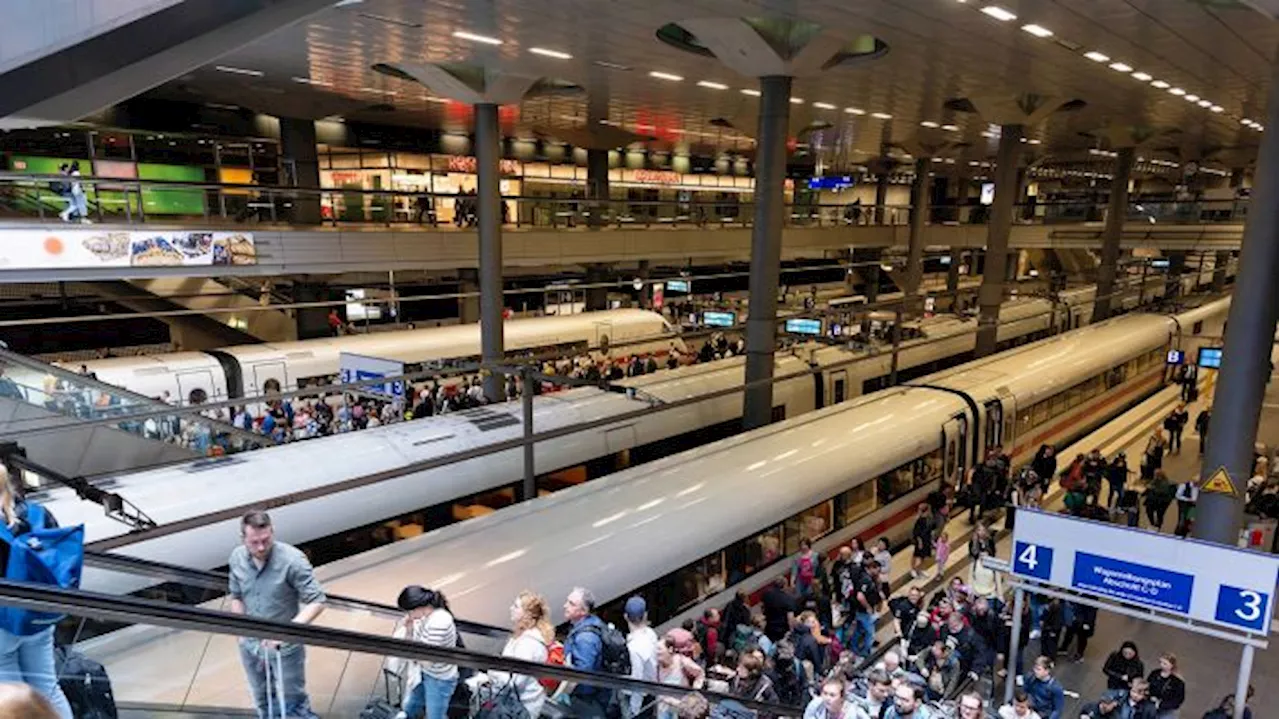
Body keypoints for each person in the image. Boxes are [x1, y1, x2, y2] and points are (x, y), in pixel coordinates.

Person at [229, 511, 326, 719]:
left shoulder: (292, 560)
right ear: (243, 538)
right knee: (262, 699)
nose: (261, 547)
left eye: (266, 540)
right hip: (251, 645)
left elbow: (317, 601)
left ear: (273, 531)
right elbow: (236, 596)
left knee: (294, 703)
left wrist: (285, 633)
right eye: (254, 542)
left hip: (286, 648)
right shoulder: (237, 558)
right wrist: (241, 635)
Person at [0, 468, 74, 719]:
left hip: (2, 627)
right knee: (48, 691)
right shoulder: (37, 513)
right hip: (39, 616)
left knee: (11, 701)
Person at [474, 591, 553, 719]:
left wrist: (492, 670)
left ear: (527, 615)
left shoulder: (529, 644)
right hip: (514, 702)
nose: (511, 608)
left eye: (516, 606)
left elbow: (514, 682)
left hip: (519, 708)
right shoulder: (521, 636)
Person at [395, 586, 457, 719]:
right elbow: (413, 646)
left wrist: (413, 654)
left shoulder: (439, 621)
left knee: (435, 716)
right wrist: (410, 629)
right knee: (410, 708)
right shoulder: (423, 618)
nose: (408, 615)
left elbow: (427, 661)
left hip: (439, 679)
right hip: (425, 674)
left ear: (417, 607)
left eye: (409, 611)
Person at [564, 587, 611, 717]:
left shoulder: (585, 638)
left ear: (583, 611)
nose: (565, 606)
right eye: (567, 601)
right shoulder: (590, 624)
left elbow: (582, 674)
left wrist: (563, 691)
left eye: (571, 604)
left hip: (586, 701)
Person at [621, 596, 658, 718]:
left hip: (639, 700)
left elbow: (637, 681)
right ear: (645, 615)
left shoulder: (634, 648)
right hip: (651, 692)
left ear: (626, 616)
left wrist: (634, 710)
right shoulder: (651, 634)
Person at [654, 636, 704, 719]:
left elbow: (700, 673)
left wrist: (694, 694)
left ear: (670, 649)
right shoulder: (656, 666)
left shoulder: (682, 661)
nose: (656, 652)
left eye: (659, 649)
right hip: (663, 707)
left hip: (680, 707)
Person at [851, 559, 884, 659]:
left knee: (859, 629)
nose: (878, 572)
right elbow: (860, 596)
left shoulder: (869, 578)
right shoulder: (866, 580)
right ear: (871, 568)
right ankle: (866, 652)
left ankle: (854, 647)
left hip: (862, 610)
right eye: (877, 570)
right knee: (870, 633)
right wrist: (868, 607)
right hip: (863, 610)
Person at [803, 677, 869, 719]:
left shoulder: (856, 712)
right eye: (825, 693)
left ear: (842, 698)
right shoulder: (815, 705)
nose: (827, 698)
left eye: (832, 695)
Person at [1147, 653, 1185, 719]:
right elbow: (1147, 686)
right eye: (1160, 662)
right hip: (1151, 703)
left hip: (1167, 708)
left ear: (1172, 665)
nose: (1162, 665)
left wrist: (1161, 704)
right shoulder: (1155, 673)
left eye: (1165, 664)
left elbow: (1178, 700)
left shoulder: (1178, 682)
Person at [761, 577, 796, 642]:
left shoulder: (766, 594)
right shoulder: (788, 599)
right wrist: (792, 633)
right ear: (785, 586)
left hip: (769, 628)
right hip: (782, 631)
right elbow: (790, 619)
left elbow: (763, 608)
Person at [911, 503, 933, 579]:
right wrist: (920, 542)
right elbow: (916, 532)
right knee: (917, 555)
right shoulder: (920, 521)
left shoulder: (927, 519)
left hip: (926, 540)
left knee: (923, 556)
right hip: (921, 541)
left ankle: (920, 569)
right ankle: (914, 569)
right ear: (926, 511)